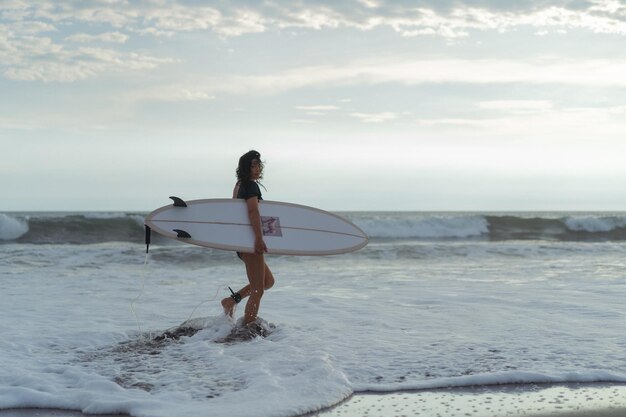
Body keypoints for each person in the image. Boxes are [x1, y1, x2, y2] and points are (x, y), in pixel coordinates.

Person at [221, 150, 275, 325]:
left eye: (258, 165)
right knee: (259, 289)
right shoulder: (250, 185)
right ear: (245, 167)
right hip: (250, 242)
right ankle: (246, 328)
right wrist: (259, 238)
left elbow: (236, 214)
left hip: (242, 243)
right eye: (253, 165)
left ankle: (231, 301)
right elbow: (253, 211)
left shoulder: (239, 185)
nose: (257, 168)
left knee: (268, 281)